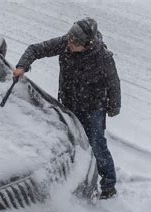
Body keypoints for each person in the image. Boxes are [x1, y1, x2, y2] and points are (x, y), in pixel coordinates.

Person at [13, 17, 121, 199]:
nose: (70, 44)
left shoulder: (103, 57)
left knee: (97, 144)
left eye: (75, 43)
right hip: (69, 103)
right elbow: (35, 49)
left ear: (88, 44)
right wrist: (22, 66)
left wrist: (114, 107)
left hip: (93, 107)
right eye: (70, 39)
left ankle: (109, 186)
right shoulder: (65, 43)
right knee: (69, 142)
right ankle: (73, 179)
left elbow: (113, 83)